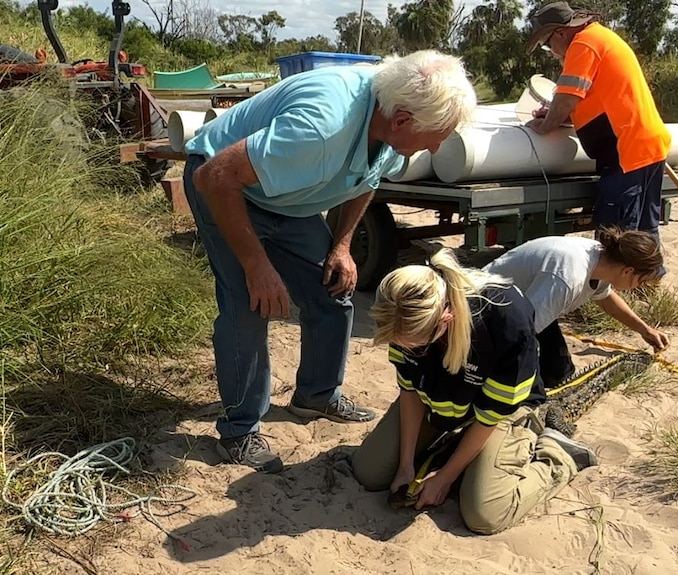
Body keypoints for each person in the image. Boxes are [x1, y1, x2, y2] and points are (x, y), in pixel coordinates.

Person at [182, 50, 477, 473]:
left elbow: (365, 179)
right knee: (250, 305)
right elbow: (215, 176)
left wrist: (341, 246)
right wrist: (258, 266)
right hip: (224, 184)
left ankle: (316, 397)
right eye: (438, 135)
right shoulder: (321, 128)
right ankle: (239, 430)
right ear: (401, 120)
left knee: (333, 290)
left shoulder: (392, 121)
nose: (437, 146)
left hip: (286, 197)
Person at [351, 248, 598, 535]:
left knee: (484, 514)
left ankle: (559, 456)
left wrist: (446, 477)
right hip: (444, 402)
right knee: (369, 472)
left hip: (497, 411)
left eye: (417, 345)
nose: (408, 350)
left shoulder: (505, 318)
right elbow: (410, 392)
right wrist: (406, 464)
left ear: (446, 317)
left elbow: (490, 416)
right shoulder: (401, 308)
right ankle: (451, 449)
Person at [524, 2, 671, 240]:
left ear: (561, 32)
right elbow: (594, 98)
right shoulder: (598, 37)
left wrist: (543, 126)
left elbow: (567, 99)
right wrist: (558, 114)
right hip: (645, 146)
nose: (551, 52)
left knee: (615, 236)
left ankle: (627, 277)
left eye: (547, 44)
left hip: (625, 152)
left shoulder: (583, 44)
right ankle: (649, 277)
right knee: (643, 233)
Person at [483, 228, 669, 388]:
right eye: (641, 281)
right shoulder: (568, 278)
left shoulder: (604, 260)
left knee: (558, 373)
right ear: (627, 271)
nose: (637, 287)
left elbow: (605, 298)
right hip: (488, 310)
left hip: (523, 306)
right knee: (527, 385)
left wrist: (644, 329)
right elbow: (522, 332)